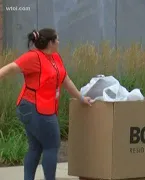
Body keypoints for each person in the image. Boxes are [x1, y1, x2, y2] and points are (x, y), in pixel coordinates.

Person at [0, 28, 92, 180]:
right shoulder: (33, 57)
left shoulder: (55, 57)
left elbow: (65, 80)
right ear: (51, 42)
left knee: (36, 147)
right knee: (52, 145)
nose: (59, 42)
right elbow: (8, 69)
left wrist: (81, 98)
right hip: (33, 107)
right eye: (57, 39)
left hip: (44, 108)